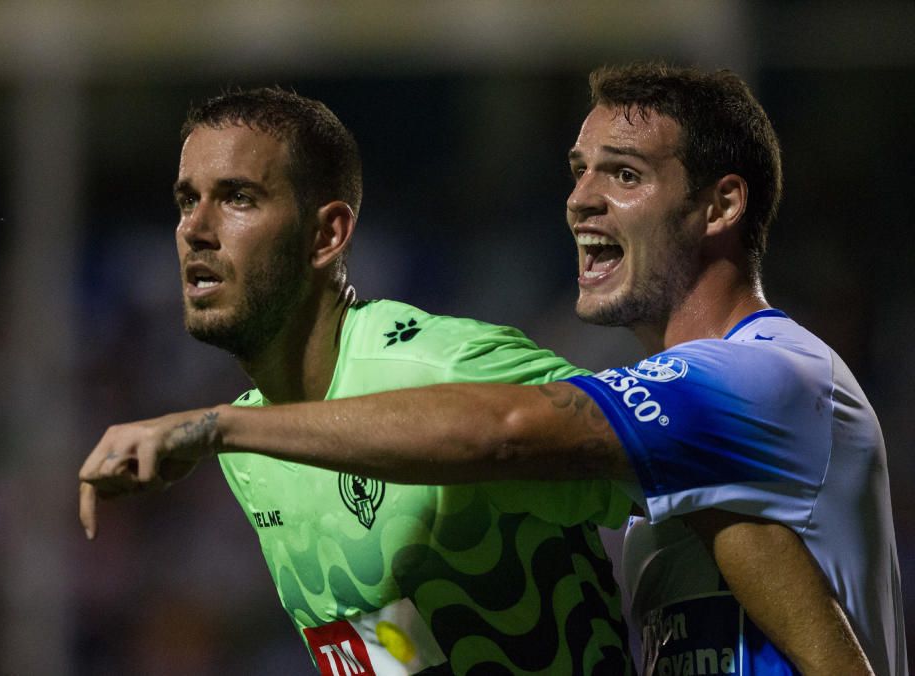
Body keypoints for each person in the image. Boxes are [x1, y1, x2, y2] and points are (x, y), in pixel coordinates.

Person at [80, 64, 908, 675]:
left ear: (721, 205)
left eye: (622, 173)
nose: (580, 199)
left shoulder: (769, 378)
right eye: (576, 172)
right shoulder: (685, 439)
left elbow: (512, 432)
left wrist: (220, 428)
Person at [82, 87, 636, 675]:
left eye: (238, 198)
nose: (195, 228)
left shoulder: (443, 365)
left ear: (327, 234)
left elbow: (666, 454)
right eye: (186, 200)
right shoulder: (252, 455)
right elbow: (391, 646)